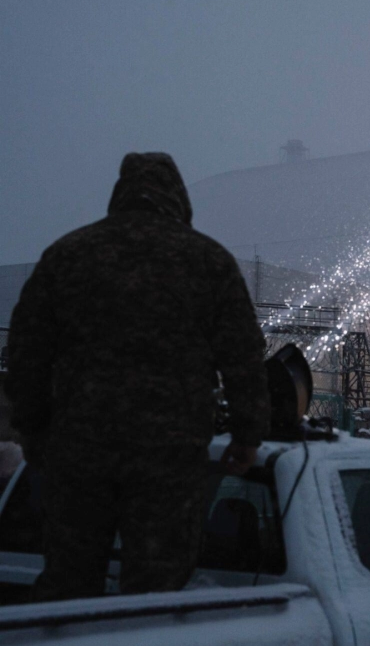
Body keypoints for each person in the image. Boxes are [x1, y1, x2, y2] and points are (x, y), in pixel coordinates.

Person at [4, 152, 270, 601]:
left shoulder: (68, 255)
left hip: (78, 452)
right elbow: (242, 356)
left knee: (69, 583)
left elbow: (26, 354)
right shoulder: (208, 261)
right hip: (168, 457)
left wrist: (34, 432)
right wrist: (248, 435)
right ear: (179, 198)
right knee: (156, 590)